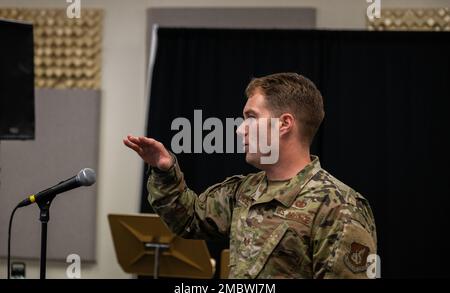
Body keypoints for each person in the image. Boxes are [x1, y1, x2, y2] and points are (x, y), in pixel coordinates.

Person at [123, 72, 377, 278]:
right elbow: (188, 220)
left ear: (284, 124)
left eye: (251, 118)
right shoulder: (244, 190)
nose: (240, 130)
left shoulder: (337, 205)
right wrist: (164, 168)